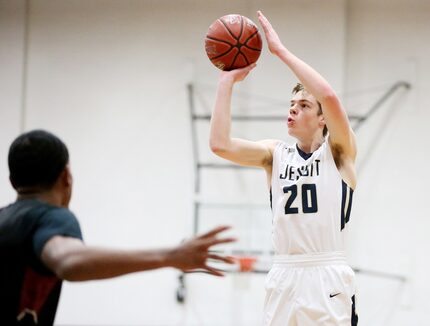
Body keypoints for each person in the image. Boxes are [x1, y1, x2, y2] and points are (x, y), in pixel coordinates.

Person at [209, 10, 358, 326]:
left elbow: (329, 96)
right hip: (283, 274)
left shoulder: (339, 152)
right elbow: (220, 144)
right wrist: (226, 81)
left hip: (326, 275)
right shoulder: (274, 154)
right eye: (291, 105)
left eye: (303, 105)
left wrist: (280, 52)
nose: (293, 109)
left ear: (322, 119)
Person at [0, 129, 236, 326]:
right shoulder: (53, 218)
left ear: (12, 181)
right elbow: (67, 261)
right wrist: (170, 255)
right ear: (66, 177)